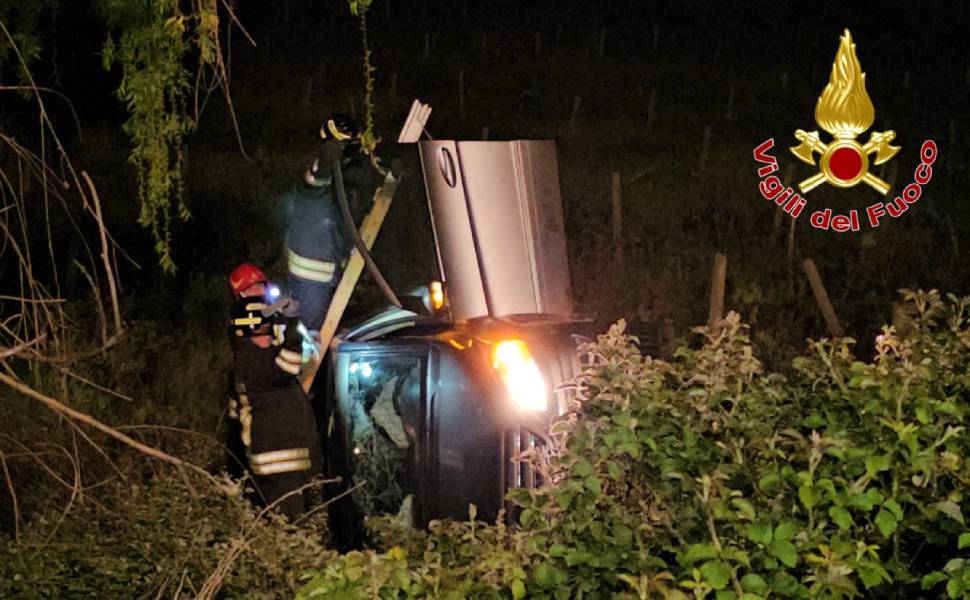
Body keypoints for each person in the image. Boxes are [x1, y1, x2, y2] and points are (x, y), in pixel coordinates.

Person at [225, 262, 320, 518]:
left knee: (288, 521)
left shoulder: (249, 354)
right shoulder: (252, 360)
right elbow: (286, 368)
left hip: (281, 456)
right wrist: (292, 330)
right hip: (277, 457)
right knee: (290, 526)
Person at [281, 114, 362, 338]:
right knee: (313, 337)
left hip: (332, 274)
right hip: (310, 279)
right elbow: (315, 178)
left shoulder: (344, 179)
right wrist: (329, 158)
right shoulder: (313, 169)